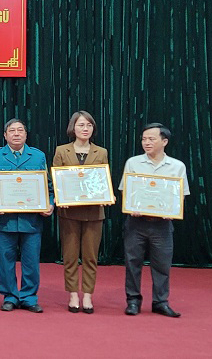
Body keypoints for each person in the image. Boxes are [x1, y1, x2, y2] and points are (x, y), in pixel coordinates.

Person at [0, 118, 53, 313]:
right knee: (5, 260)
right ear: (5, 135)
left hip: (31, 220)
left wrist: (50, 204)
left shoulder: (38, 156)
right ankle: (10, 296)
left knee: (31, 261)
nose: (17, 133)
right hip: (4, 220)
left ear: (26, 135)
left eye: (20, 130)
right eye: (12, 131)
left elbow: (49, 187)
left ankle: (29, 297)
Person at [120, 123, 189, 318]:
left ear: (164, 141)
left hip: (162, 225)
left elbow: (181, 194)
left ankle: (160, 302)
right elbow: (126, 190)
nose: (146, 142)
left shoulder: (177, 166)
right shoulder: (133, 163)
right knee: (132, 262)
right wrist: (131, 206)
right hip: (136, 223)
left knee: (162, 265)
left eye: (151, 139)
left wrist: (173, 210)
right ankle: (133, 300)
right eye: (144, 139)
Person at [52, 111, 108, 314]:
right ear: (72, 128)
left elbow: (103, 180)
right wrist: (60, 197)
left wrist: (106, 194)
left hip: (94, 212)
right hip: (69, 213)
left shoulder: (101, 152)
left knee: (91, 257)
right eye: (81, 125)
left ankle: (88, 295)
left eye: (89, 125)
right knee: (70, 256)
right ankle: (73, 294)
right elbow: (56, 179)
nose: (85, 129)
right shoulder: (61, 150)